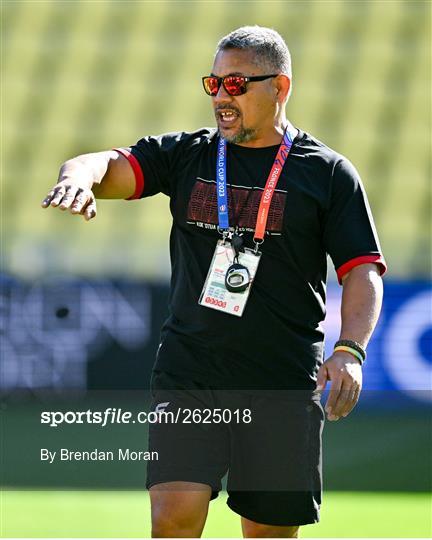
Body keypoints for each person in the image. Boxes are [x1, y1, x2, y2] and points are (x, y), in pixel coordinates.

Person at [42, 26, 386, 539]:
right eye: (214, 84)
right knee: (173, 519)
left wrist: (350, 351)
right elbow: (106, 163)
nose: (222, 98)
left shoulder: (328, 174)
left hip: (281, 380)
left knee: (267, 532)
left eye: (237, 85)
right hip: (190, 372)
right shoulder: (188, 155)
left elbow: (362, 270)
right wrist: (77, 176)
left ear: (280, 87)